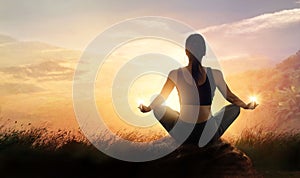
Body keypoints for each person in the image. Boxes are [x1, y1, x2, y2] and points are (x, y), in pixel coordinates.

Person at [138, 34, 258, 146]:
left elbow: (161, 98)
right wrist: (246, 105)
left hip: (184, 134)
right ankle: (215, 134)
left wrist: (148, 108)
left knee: (158, 106)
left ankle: (182, 124)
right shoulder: (215, 74)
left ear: (186, 52)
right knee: (234, 108)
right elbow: (230, 97)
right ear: (204, 52)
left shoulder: (175, 74)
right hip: (208, 134)